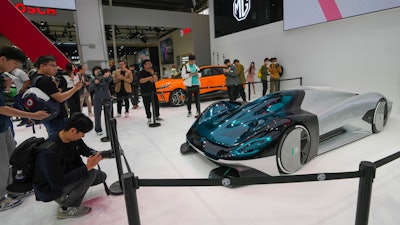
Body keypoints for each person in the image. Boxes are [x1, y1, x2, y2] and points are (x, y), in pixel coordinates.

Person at [0, 45, 49, 212]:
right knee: (1, 161)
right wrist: (33, 115)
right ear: (3, 59)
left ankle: (12, 188)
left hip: (4, 124)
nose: (15, 68)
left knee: (12, 156)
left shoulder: (2, 76)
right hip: (1, 121)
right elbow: (1, 108)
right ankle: (1, 198)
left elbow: (5, 101)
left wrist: (5, 88)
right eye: (14, 64)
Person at [33, 113, 108, 219]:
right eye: (82, 133)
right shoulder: (49, 152)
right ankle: (67, 208)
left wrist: (98, 154)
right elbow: (57, 183)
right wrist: (87, 168)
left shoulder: (72, 138)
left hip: (65, 173)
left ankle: (67, 194)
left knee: (100, 176)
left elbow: (85, 150)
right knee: (90, 174)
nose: (83, 136)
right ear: (73, 130)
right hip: (49, 188)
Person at [30, 55, 82, 137]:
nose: (56, 68)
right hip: (56, 116)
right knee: (58, 139)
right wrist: (75, 88)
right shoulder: (45, 80)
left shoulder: (34, 77)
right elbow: (60, 98)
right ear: (42, 66)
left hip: (47, 114)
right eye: (53, 65)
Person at [89, 67, 113, 136]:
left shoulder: (105, 78)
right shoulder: (92, 79)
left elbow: (111, 80)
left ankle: (110, 127)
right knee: (97, 114)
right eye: (95, 71)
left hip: (106, 96)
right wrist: (95, 83)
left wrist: (108, 75)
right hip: (97, 97)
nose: (97, 72)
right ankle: (98, 128)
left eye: (99, 70)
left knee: (109, 113)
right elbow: (90, 89)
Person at [138, 59, 163, 124]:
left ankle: (157, 116)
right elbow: (140, 81)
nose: (150, 65)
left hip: (153, 91)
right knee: (147, 105)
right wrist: (148, 78)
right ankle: (149, 117)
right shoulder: (141, 72)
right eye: (148, 64)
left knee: (156, 104)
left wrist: (152, 73)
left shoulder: (152, 71)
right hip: (145, 91)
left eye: (150, 64)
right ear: (144, 65)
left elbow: (155, 80)